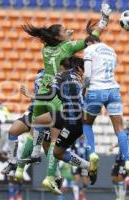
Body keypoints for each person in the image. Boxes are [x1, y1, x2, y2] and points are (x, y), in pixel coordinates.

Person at [17, 3, 111, 189]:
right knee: (55, 140)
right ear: (59, 37)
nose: (69, 30)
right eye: (64, 30)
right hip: (56, 96)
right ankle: (51, 176)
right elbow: (91, 40)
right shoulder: (66, 48)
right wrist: (103, 21)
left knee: (35, 129)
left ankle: (21, 167)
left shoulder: (45, 49)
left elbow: (52, 40)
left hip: (43, 92)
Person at [32, 56, 95, 195]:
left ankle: (87, 166)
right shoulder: (81, 80)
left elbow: (50, 95)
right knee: (38, 121)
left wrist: (31, 96)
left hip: (71, 121)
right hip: (72, 116)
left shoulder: (62, 75)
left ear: (63, 67)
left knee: (57, 152)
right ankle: (38, 155)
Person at [82, 31, 129, 179]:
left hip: (95, 90)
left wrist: (84, 88)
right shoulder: (112, 51)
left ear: (89, 42)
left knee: (86, 124)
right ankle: (128, 161)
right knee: (120, 129)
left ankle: (92, 153)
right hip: (113, 90)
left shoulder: (89, 50)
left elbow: (87, 75)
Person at [1, 69, 53, 178]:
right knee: (13, 131)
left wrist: (30, 95)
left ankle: (55, 175)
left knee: (47, 147)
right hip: (33, 111)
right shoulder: (41, 73)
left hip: (47, 115)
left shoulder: (57, 77)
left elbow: (50, 96)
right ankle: (13, 162)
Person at [71, 135, 90, 200]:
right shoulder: (74, 141)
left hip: (85, 163)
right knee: (76, 179)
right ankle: (76, 198)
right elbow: (71, 151)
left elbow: (89, 153)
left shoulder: (87, 142)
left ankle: (82, 194)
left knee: (85, 180)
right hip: (76, 163)